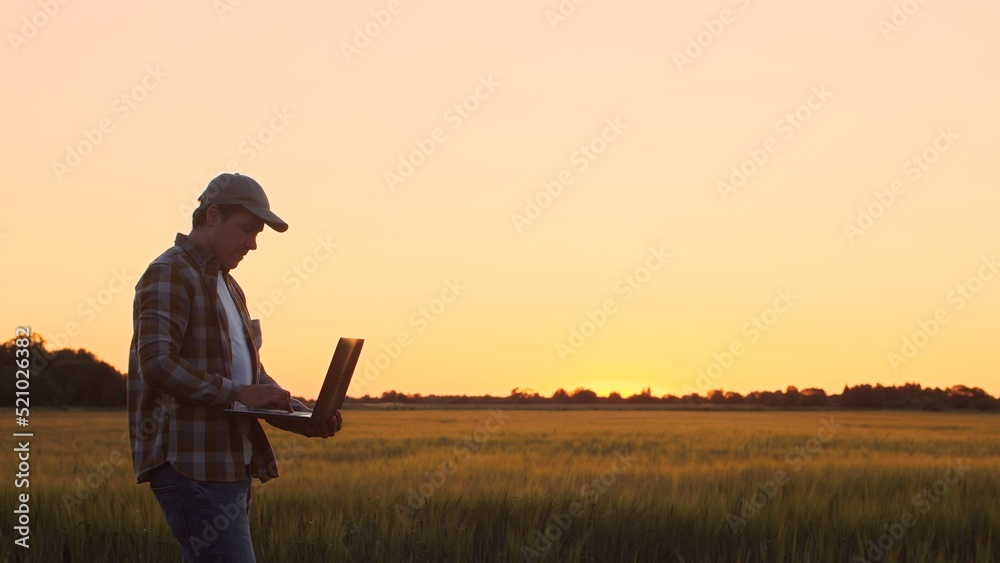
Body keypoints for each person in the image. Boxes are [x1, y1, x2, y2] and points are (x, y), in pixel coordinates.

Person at [127, 172, 340, 562]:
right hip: (192, 464)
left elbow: (251, 377)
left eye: (257, 234)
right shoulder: (171, 272)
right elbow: (156, 364)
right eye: (246, 229)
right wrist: (238, 392)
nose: (252, 244)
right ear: (212, 216)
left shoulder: (228, 285)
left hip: (230, 463)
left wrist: (301, 416)